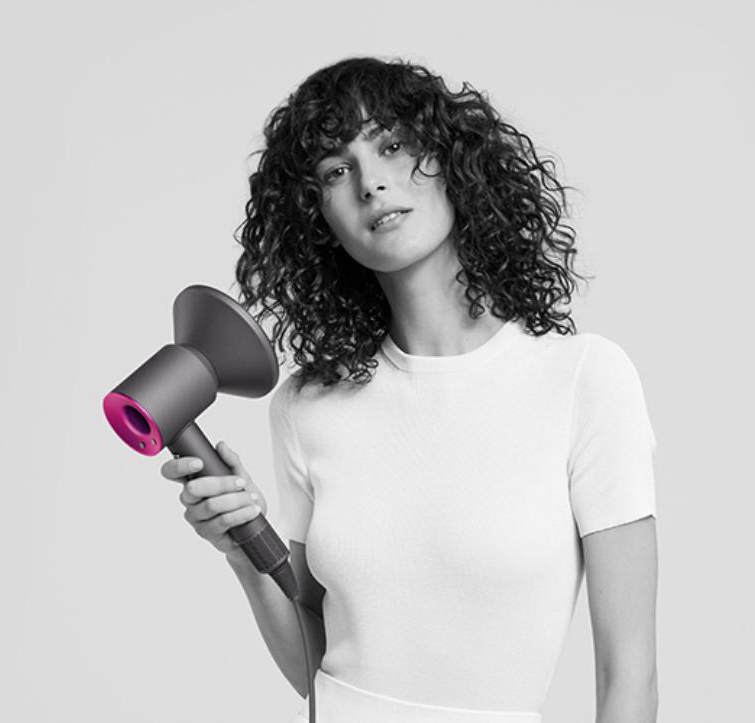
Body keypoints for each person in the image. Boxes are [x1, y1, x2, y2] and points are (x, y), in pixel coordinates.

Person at [161, 57, 659, 723]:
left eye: (392, 145)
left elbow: (628, 672)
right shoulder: (306, 407)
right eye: (336, 171)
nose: (372, 183)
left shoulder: (582, 381)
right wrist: (245, 557)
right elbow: (320, 668)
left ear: (452, 160)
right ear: (318, 217)